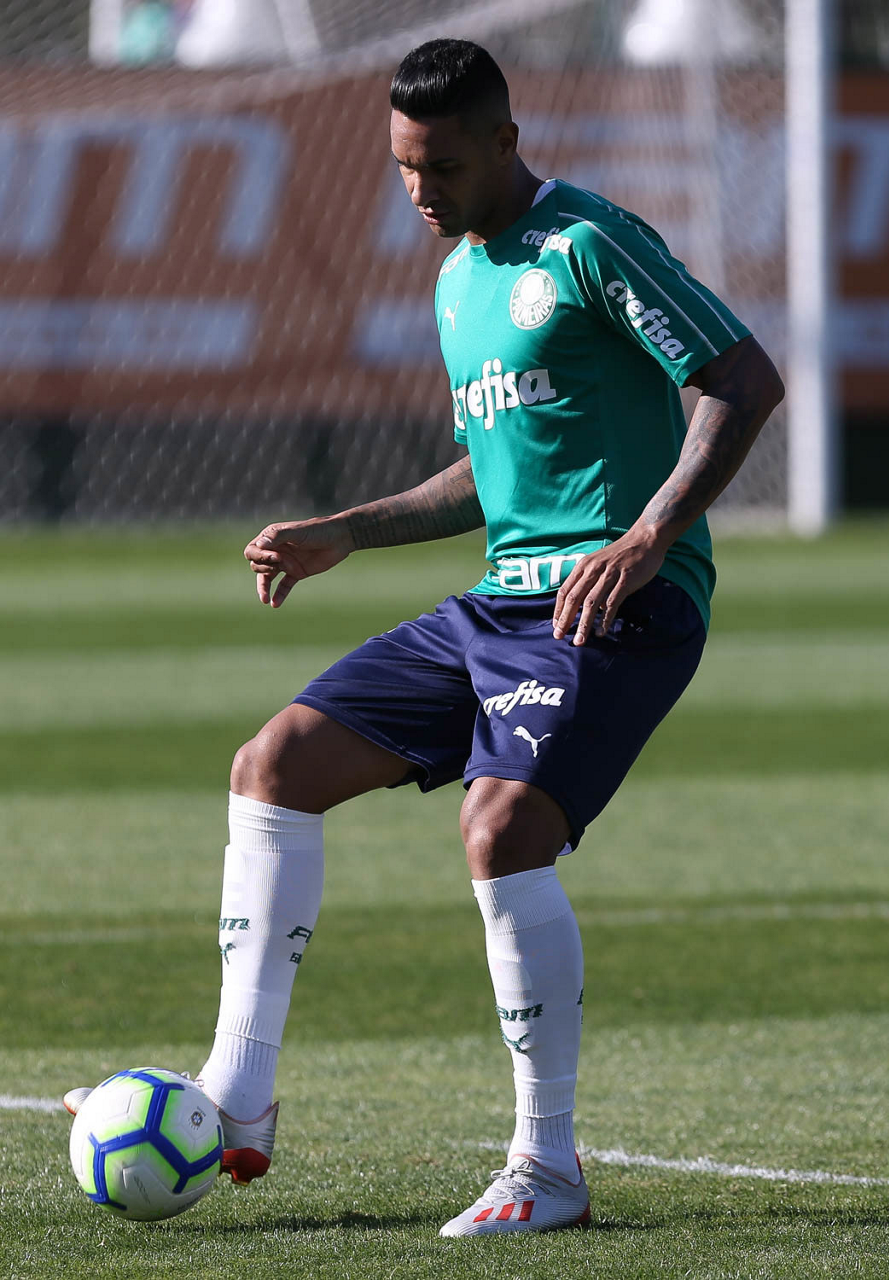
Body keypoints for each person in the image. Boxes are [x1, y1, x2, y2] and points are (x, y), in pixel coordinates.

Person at [66, 37, 783, 1235]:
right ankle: (238, 1094)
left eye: (442, 165)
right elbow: (490, 476)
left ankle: (546, 1167)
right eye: (403, 166)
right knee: (274, 764)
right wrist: (348, 528)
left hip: (615, 604)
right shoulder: (458, 279)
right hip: (501, 599)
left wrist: (650, 535)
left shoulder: (589, 243)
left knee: (499, 828)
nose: (419, 189)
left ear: (504, 141)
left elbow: (742, 379)